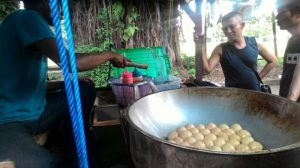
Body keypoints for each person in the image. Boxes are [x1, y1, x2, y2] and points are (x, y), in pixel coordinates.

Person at [0, 0, 129, 167]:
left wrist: (63, 83)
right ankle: (68, 154)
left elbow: (31, 85)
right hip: (10, 121)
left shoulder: (25, 24)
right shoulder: (26, 18)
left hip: (38, 112)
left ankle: (73, 146)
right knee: (48, 164)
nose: (61, 10)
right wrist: (110, 55)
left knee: (84, 89)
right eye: (57, 4)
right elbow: (72, 62)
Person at [202, 11, 277, 91]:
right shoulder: (220, 49)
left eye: (232, 26)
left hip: (255, 93)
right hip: (233, 95)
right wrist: (200, 46)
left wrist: (258, 78)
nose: (228, 31)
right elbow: (207, 69)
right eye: (225, 28)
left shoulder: (255, 43)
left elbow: (273, 60)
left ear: (242, 25)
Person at [276, 0, 300, 102]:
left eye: (282, 12)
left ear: (298, 13)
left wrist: (289, 104)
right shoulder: (292, 40)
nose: (277, 17)